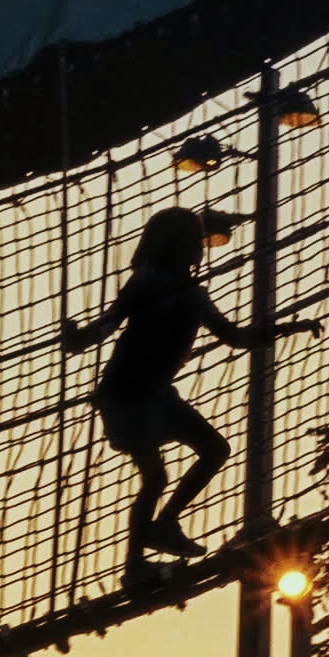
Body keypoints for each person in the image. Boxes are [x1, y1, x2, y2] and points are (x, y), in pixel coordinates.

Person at [72, 206, 283, 582]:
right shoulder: (150, 282)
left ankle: (157, 535)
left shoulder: (191, 294)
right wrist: (79, 338)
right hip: (127, 393)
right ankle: (143, 554)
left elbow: (234, 336)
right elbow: (108, 323)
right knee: (163, 473)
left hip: (151, 393)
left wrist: (283, 329)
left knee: (191, 460)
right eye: (191, 242)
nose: (197, 249)